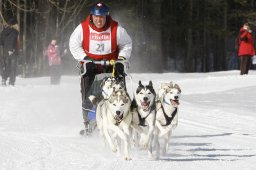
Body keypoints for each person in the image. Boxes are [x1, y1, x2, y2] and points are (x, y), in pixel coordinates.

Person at [69, 2, 132, 134]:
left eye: (102, 17)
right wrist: (85, 58)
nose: (99, 20)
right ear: (92, 16)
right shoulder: (82, 28)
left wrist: (121, 59)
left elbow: (126, 44)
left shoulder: (116, 28)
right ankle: (90, 123)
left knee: (117, 94)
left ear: (107, 16)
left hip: (112, 66)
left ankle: (120, 121)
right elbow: (74, 44)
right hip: (90, 66)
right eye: (97, 17)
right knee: (90, 95)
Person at [0, 17, 19, 86]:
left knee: (7, 67)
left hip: (5, 52)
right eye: (17, 24)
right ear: (14, 24)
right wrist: (11, 50)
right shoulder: (15, 32)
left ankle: (4, 79)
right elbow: (13, 41)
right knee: (13, 68)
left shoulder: (3, 32)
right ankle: (11, 82)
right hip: (12, 52)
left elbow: (1, 42)